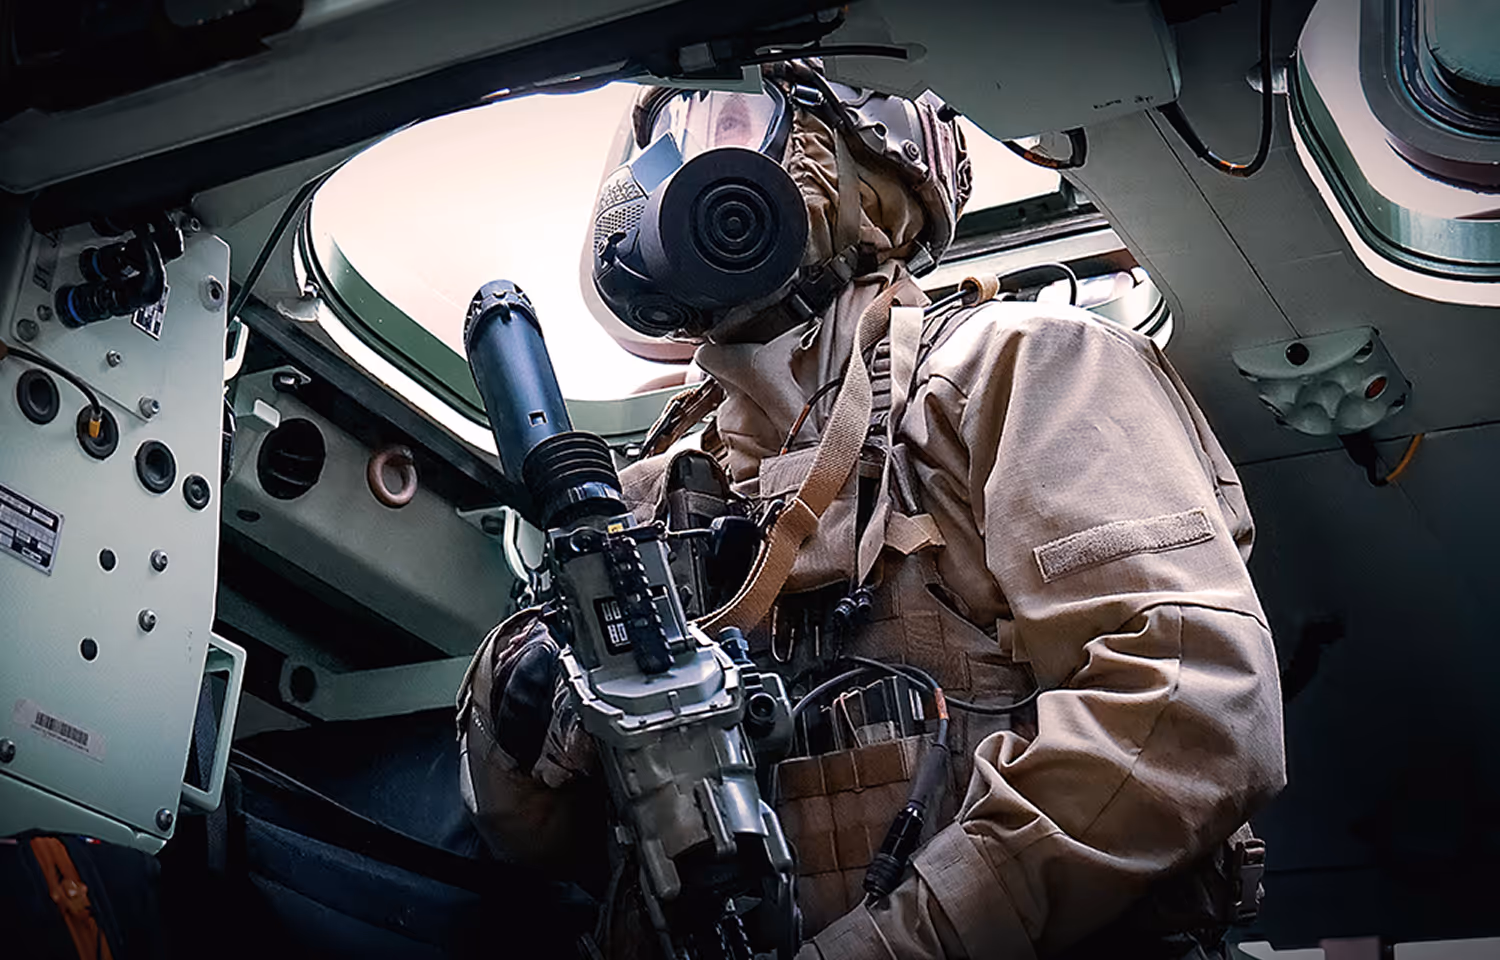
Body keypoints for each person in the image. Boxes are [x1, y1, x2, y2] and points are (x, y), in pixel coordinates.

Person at [457, 60, 1286, 959]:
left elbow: (1188, 713)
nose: (653, 176)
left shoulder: (1018, 370)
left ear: (863, 159)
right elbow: (544, 845)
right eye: (656, 141)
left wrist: (892, 946)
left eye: (714, 122)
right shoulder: (648, 498)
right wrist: (526, 707)